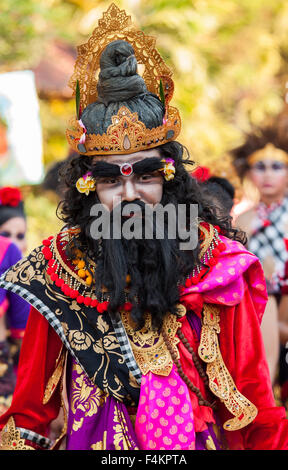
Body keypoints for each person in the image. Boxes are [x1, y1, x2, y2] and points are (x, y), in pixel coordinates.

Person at [0, 3, 287, 451]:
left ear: (170, 177)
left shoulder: (219, 267)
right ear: (87, 186)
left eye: (145, 175)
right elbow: (29, 417)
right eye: (111, 180)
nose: (129, 195)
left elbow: (255, 406)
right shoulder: (56, 271)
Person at [231, 126, 288, 390]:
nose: (267, 175)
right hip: (257, 305)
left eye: (277, 167)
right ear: (249, 173)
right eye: (260, 167)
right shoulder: (242, 220)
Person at [0, 187, 30, 415]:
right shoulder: (7, 252)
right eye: (6, 234)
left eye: (20, 236)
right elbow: (22, 322)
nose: (13, 243)